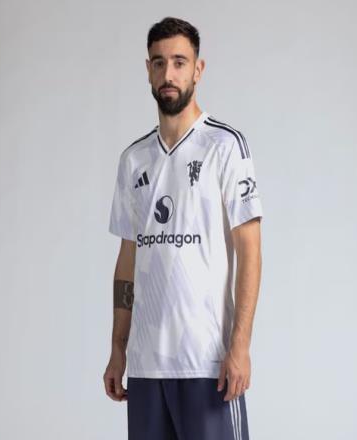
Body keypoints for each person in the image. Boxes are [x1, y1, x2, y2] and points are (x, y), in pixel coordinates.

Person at [103, 16, 263, 440]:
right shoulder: (134, 160)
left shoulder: (224, 146)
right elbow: (128, 260)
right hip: (146, 368)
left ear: (198, 69)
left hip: (207, 365)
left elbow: (250, 250)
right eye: (159, 63)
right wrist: (118, 348)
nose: (168, 74)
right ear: (148, 70)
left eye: (179, 62)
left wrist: (240, 345)